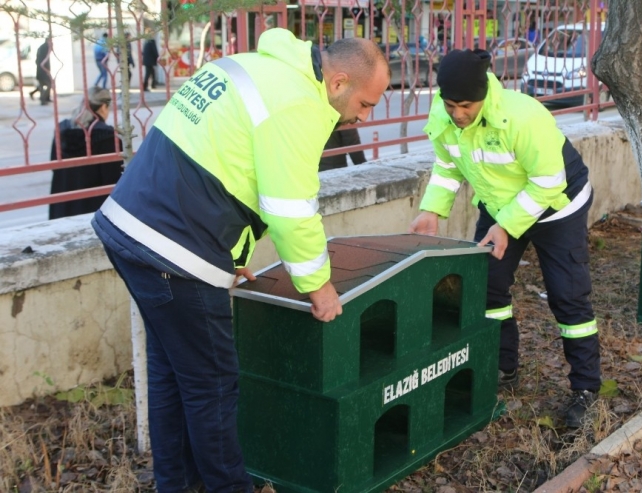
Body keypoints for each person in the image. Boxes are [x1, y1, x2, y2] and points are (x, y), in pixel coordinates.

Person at [91, 28, 389, 493]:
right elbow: (290, 209)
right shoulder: (300, 105)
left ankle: (176, 484)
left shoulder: (258, 65)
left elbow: (230, 163)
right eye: (366, 103)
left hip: (130, 224)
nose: (365, 117)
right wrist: (320, 287)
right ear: (339, 81)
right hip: (174, 248)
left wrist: (228, 254)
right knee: (212, 385)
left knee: (173, 373)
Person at [409, 49, 600, 428]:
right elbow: (449, 165)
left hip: (558, 204)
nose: (457, 114)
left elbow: (549, 181)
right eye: (450, 105)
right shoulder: (442, 115)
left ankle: (586, 390)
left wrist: (508, 225)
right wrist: (433, 209)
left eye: (466, 105)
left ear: (483, 95)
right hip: (500, 206)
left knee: (568, 295)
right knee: (488, 289)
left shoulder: (523, 115)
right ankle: (503, 368)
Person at [49, 87, 122, 220]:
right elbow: (113, 181)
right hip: (92, 211)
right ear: (104, 107)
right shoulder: (108, 136)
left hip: (62, 208)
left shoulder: (62, 129)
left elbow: (54, 166)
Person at [30, 37, 52, 105]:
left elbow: (37, 60)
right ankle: (43, 98)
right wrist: (47, 70)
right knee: (49, 84)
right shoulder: (45, 48)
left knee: (42, 85)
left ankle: (45, 98)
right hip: (43, 70)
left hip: (41, 69)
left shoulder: (42, 47)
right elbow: (44, 60)